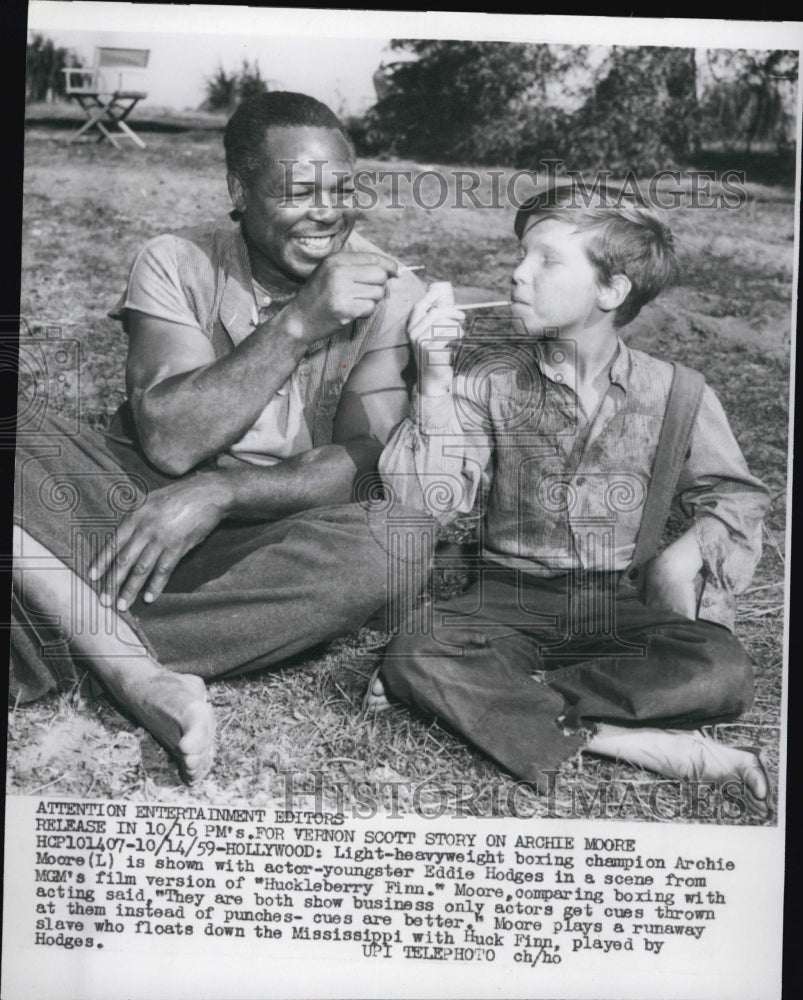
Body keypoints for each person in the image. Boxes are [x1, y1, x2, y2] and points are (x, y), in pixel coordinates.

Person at [12, 92, 432, 784]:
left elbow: (364, 463)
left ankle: (50, 610)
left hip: (260, 535)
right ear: (239, 189)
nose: (328, 211)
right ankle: (123, 663)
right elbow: (172, 443)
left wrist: (224, 491)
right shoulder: (175, 260)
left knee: (397, 538)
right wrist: (299, 321)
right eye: (300, 191)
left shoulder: (393, 290)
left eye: (342, 189)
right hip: (123, 504)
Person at [370, 181, 773, 817]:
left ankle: (503, 702)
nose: (517, 273)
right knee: (419, 649)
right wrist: (435, 383)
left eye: (546, 260)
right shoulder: (487, 382)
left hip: (619, 602)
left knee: (722, 669)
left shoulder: (679, 393)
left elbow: (736, 498)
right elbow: (421, 502)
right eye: (521, 254)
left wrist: (680, 561)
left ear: (611, 292)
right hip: (505, 596)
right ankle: (626, 739)